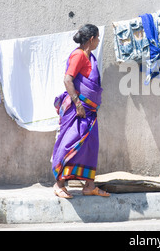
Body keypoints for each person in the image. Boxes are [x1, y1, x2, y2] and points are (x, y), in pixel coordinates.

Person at [51, 24, 110, 199]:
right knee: (70, 143)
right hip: (79, 110)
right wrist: (77, 103)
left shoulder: (89, 56)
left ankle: (89, 186)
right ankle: (59, 184)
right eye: (97, 38)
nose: (99, 41)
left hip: (89, 112)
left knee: (90, 146)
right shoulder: (78, 55)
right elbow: (68, 80)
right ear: (91, 39)